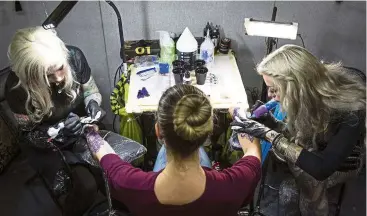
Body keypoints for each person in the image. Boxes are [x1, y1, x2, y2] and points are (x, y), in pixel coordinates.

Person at [5, 26, 134, 215]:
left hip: (82, 126)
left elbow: (91, 92)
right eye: (48, 75)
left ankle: (115, 204)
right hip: (46, 145)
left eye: (60, 68)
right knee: (86, 186)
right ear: (30, 75)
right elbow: (28, 134)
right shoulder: (17, 88)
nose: (58, 78)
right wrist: (58, 131)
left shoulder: (74, 56)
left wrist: (93, 104)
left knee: (110, 172)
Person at [83, 84, 261, 216]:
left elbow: (106, 156)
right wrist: (237, 114)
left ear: (158, 131)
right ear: (207, 131)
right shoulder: (234, 184)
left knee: (162, 156)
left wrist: (91, 132)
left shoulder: (130, 184)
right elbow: (253, 153)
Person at [231, 44, 366, 216]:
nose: (271, 95)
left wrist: (269, 134)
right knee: (285, 161)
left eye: (275, 89)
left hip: (340, 162)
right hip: (318, 143)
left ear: (296, 86)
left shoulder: (352, 110)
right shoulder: (310, 88)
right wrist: (272, 124)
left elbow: (322, 168)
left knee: (294, 186)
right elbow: (302, 135)